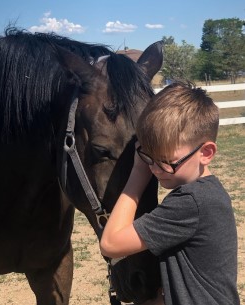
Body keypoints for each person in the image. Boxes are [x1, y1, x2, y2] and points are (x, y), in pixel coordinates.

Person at [100, 81, 240, 305]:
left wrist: (138, 173)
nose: (154, 169)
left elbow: (111, 243)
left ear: (206, 152)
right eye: (148, 157)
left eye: (166, 161)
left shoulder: (191, 202)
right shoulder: (210, 192)